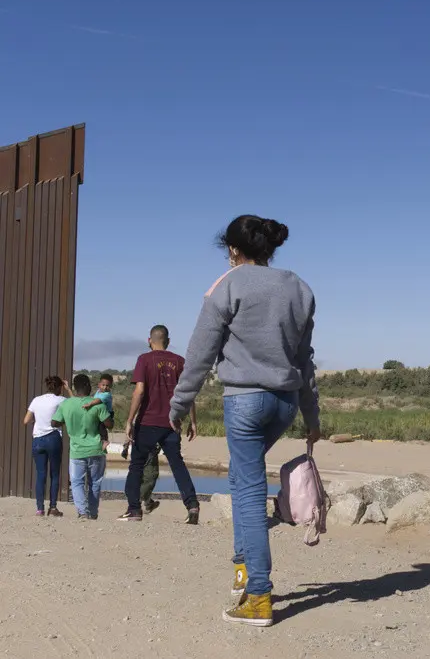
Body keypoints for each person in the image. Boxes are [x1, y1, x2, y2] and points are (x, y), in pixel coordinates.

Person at [169, 214, 320, 627]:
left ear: (233, 249)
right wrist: (312, 415)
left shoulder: (228, 285)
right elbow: (305, 361)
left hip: (246, 402)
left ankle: (257, 595)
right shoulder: (299, 287)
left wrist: (178, 406)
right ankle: (241, 570)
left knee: (250, 493)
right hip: (285, 403)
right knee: (240, 477)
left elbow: (200, 353)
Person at [120, 326, 199, 523]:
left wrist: (130, 420)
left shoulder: (144, 360)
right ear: (168, 340)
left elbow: (139, 391)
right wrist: (193, 421)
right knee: (177, 465)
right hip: (172, 423)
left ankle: (134, 509)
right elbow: (187, 393)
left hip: (147, 422)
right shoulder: (179, 361)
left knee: (137, 465)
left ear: (149, 340)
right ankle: (192, 505)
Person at [52, 374, 112, 519]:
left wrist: (67, 420)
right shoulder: (97, 403)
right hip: (96, 449)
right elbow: (109, 424)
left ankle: (82, 512)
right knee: (95, 483)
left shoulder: (66, 404)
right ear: (89, 386)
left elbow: (54, 423)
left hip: (77, 451)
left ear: (75, 387)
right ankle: (93, 513)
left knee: (77, 482)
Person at [24, 376, 69, 516]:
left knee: (41, 474)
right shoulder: (61, 400)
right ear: (59, 387)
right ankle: (53, 507)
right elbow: (76, 403)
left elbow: (26, 420)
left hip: (38, 439)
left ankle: (39, 508)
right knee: (54, 474)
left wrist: (37, 422)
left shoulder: (36, 400)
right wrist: (69, 389)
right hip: (53, 438)